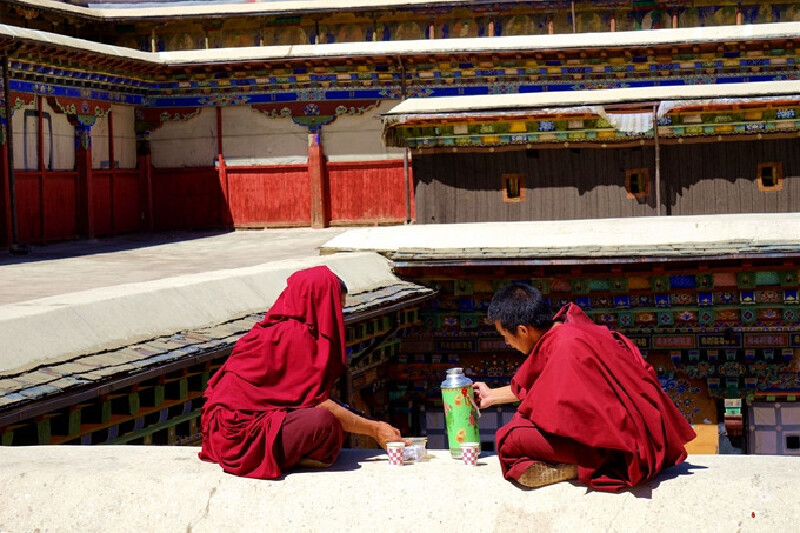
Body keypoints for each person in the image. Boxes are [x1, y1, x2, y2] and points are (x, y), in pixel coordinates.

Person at [474, 283, 696, 491]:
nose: (507, 343)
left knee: (509, 438)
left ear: (523, 330)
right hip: (643, 437)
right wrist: (491, 396)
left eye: (505, 336)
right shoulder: (570, 329)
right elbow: (535, 386)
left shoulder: (563, 347)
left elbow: (556, 406)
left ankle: (581, 467)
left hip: (620, 450)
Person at [199, 265, 401, 479]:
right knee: (326, 424)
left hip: (220, 434)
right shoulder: (296, 336)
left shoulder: (273, 329)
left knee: (342, 420)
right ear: (320, 304)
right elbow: (316, 403)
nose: (337, 316)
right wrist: (375, 429)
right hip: (241, 436)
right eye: (335, 308)